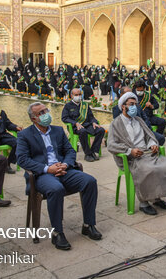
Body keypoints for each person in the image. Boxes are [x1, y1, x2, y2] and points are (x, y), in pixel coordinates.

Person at [17, 102, 101, 250]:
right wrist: (47, 169)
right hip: (42, 175)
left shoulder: (58, 130)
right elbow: (22, 159)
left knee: (90, 181)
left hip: (64, 170)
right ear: (33, 118)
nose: (45, 115)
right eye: (41, 113)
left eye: (46, 110)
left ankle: (88, 224)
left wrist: (66, 165)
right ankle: (57, 232)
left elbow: (70, 151)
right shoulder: (25, 135)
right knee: (56, 189)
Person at [107, 92, 166, 215]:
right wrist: (129, 151)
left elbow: (149, 136)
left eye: (135, 104)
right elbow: (111, 145)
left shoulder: (138, 120)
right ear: (123, 106)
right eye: (131, 104)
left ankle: (157, 198)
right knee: (148, 169)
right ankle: (143, 203)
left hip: (147, 153)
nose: (134, 107)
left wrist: (152, 144)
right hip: (132, 158)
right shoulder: (116, 123)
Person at [62, 88, 105, 162]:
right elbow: (64, 118)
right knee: (83, 131)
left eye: (79, 94)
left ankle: (94, 151)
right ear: (72, 96)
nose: (78, 96)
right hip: (75, 127)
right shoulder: (68, 106)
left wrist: (94, 122)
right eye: (76, 95)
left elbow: (91, 116)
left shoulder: (85, 105)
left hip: (87, 125)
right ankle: (88, 154)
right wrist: (75, 123)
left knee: (101, 130)